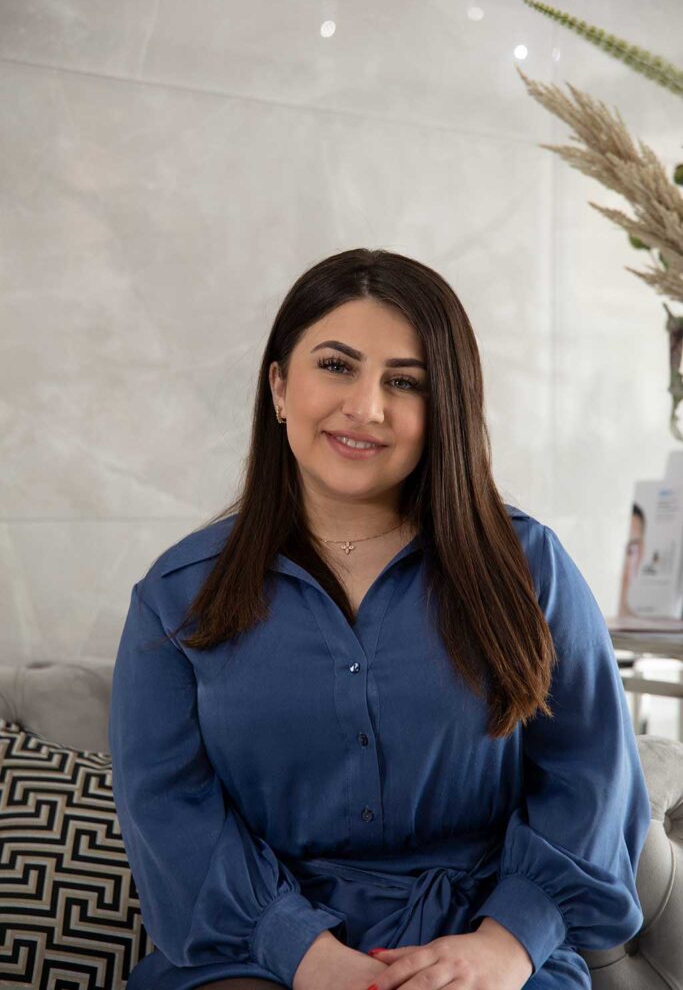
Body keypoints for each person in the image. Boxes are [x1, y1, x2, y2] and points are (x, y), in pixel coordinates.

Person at [109, 247, 652, 990]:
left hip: (487, 949)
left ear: (442, 410)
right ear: (278, 386)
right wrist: (306, 955)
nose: (366, 407)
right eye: (336, 366)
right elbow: (170, 812)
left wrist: (505, 944)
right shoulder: (175, 597)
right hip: (257, 958)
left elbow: (590, 776)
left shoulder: (529, 567)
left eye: (405, 381)